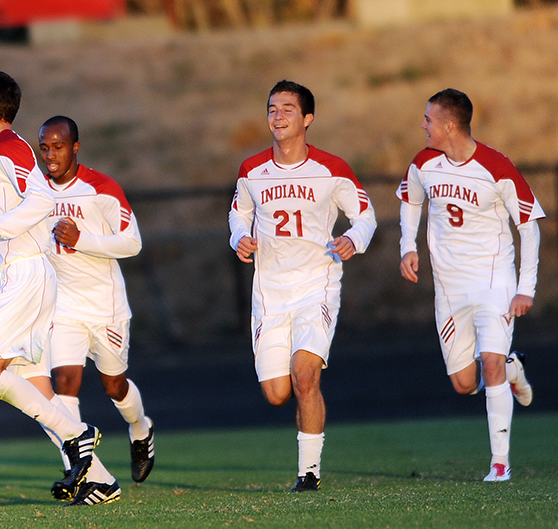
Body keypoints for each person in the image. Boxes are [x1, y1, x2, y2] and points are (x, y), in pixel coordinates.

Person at [0, 71, 103, 504]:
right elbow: (22, 225)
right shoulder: (2, 150)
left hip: (25, 279)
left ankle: (77, 434)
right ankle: (100, 479)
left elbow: (41, 202)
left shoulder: (8, 149)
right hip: (24, 273)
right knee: (33, 383)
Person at [229, 81, 376, 492]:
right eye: (272, 108)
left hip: (317, 284)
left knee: (304, 375)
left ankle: (308, 474)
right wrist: (237, 237)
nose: (277, 116)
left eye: (288, 109)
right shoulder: (252, 170)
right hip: (270, 293)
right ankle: (304, 422)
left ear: (307, 119)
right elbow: (237, 213)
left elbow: (365, 216)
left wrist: (353, 239)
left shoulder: (332, 169)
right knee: (277, 393)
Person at [397, 88, 541, 482]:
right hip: (448, 289)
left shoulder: (497, 167)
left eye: (428, 120)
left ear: (448, 125)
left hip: (494, 282)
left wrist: (524, 287)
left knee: (489, 362)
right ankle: (513, 370)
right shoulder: (424, 163)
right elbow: (410, 201)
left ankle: (499, 463)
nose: (422, 126)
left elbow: (528, 227)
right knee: (464, 383)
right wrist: (407, 247)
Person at [38, 116, 155, 487]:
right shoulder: (35, 190)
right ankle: (82, 470)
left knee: (113, 387)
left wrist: (81, 238)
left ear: (75, 146)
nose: (50, 155)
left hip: (106, 307)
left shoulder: (101, 188)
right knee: (64, 383)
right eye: (44, 147)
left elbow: (132, 242)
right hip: (64, 306)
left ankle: (140, 428)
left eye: (58, 146)